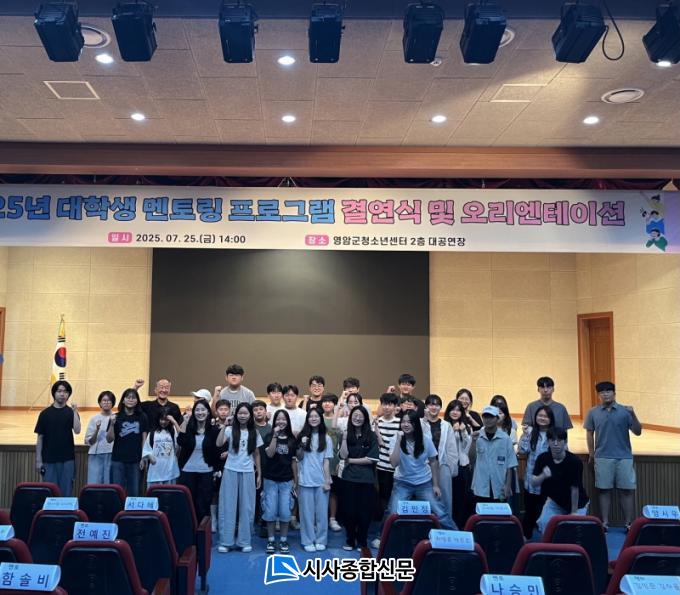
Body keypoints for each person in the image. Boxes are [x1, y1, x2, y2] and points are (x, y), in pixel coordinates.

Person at [584, 381, 642, 531]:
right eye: (602, 392)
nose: (605, 394)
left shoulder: (625, 411)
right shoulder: (593, 412)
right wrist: (591, 454)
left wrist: (633, 413)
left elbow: (638, 431)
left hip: (624, 457)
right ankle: (604, 523)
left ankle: (628, 523)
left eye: (608, 391)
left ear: (614, 393)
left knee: (626, 491)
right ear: (598, 395)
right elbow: (589, 433)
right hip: (602, 456)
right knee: (604, 490)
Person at [388, 411, 455, 529]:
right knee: (392, 512)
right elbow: (394, 464)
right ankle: (384, 537)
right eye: (403, 422)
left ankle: (456, 535)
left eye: (410, 422)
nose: (406, 425)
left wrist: (435, 485)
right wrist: (398, 441)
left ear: (416, 424)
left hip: (424, 483)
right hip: (402, 482)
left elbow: (433, 461)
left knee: (440, 513)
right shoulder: (395, 439)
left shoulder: (425, 439)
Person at [216, 402, 263, 553]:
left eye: (245, 413)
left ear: (250, 415)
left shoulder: (254, 432)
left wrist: (259, 473)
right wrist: (224, 425)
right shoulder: (230, 430)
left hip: (248, 472)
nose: (243, 416)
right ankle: (226, 541)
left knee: (247, 507)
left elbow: (256, 454)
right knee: (227, 506)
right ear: (236, 415)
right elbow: (219, 443)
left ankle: (244, 541)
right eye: (240, 413)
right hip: (230, 470)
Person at [532, 427, 589, 533]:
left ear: (565, 442)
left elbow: (575, 488)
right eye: (552, 440)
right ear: (548, 442)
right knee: (544, 523)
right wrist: (543, 475)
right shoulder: (542, 458)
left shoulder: (574, 461)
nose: (556, 444)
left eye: (559, 440)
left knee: (575, 530)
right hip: (555, 502)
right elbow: (534, 482)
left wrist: (574, 512)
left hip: (578, 503)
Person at [339, 405, 379, 551]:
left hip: (366, 480)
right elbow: (343, 456)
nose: (357, 418)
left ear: (365, 418)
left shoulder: (371, 436)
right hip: (348, 478)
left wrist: (351, 460)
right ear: (351, 417)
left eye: (360, 416)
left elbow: (372, 459)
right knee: (349, 512)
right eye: (355, 415)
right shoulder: (346, 434)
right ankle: (350, 539)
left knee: (364, 513)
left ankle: (362, 541)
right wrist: (344, 438)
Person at [296, 408, 333, 552]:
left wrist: (327, 480)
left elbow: (326, 461)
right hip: (305, 480)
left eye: (316, 416)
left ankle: (321, 539)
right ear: (307, 419)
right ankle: (307, 540)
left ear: (320, 418)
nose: (313, 418)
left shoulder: (326, 438)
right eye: (310, 416)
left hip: (321, 481)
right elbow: (298, 457)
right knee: (306, 513)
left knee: (322, 513)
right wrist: (302, 445)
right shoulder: (302, 436)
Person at [178, 399, 220, 526]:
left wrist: (216, 469)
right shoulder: (189, 428)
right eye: (197, 410)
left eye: (203, 410)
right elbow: (181, 441)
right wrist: (185, 421)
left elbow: (216, 452)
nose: (200, 413)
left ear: (208, 412)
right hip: (187, 471)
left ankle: (202, 532)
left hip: (206, 471)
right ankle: (188, 530)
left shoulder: (213, 430)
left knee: (203, 504)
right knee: (187, 503)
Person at [34, 380, 81, 496]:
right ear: (54, 393)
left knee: (66, 492)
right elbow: (40, 438)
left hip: (67, 459)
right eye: (59, 391)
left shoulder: (71, 412)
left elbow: (77, 430)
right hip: (48, 459)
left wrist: (75, 412)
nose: (62, 394)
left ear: (68, 395)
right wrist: (38, 460)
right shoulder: (45, 413)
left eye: (65, 392)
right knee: (49, 492)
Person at [262, 409, 298, 554]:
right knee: (270, 511)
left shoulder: (292, 439)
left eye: (284, 419)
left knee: (285, 511)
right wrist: (275, 436)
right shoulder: (269, 436)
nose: (281, 422)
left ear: (287, 421)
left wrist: (296, 480)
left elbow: (294, 461)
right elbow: (270, 454)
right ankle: (271, 540)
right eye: (278, 419)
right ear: (274, 421)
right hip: (270, 480)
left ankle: (283, 540)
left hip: (286, 481)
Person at [518, 405, 555, 538]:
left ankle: (547, 539)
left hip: (549, 479)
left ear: (550, 419)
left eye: (545, 416)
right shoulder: (531, 433)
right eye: (540, 415)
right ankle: (526, 537)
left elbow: (563, 452)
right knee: (530, 510)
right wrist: (525, 434)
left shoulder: (554, 433)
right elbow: (522, 450)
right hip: (531, 478)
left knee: (546, 511)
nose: (542, 418)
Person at [421, 395, 458, 523]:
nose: (434, 407)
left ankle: (445, 527)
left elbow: (452, 450)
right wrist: (424, 420)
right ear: (426, 406)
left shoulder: (446, 425)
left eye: (437, 405)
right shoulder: (420, 423)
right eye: (431, 404)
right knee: (426, 499)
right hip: (423, 467)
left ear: (440, 407)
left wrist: (449, 469)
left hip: (442, 465)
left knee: (445, 499)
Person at [471, 405, 517, 504]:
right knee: (481, 512)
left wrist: (508, 485)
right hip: (481, 486)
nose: (488, 419)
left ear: (497, 419)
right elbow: (471, 459)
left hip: (499, 486)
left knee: (500, 512)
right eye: (485, 417)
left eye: (491, 417)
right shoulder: (477, 436)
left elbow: (510, 465)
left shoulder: (505, 438)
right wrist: (473, 442)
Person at [107, 388, 148, 497]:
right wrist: (112, 425)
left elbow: (144, 438)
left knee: (134, 492)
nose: (130, 399)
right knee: (116, 492)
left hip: (136, 460)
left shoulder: (142, 417)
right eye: (128, 397)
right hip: (118, 460)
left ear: (137, 401)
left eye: (133, 398)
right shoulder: (116, 417)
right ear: (123, 400)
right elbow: (109, 439)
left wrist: (143, 457)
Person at [445, 399, 473, 529]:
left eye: (458, 410)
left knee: (462, 498)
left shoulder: (466, 427)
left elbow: (467, 448)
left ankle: (462, 526)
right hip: (448, 466)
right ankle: (449, 525)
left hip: (462, 466)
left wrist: (462, 432)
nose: (455, 412)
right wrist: (452, 431)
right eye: (453, 409)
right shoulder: (444, 426)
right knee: (450, 497)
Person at [374, 393, 401, 528]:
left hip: (397, 468)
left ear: (395, 406)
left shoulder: (400, 423)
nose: (387, 407)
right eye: (384, 404)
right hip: (381, 466)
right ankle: (384, 525)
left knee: (395, 497)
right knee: (383, 496)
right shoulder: (377, 422)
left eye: (390, 404)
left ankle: (394, 522)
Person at [320, 394, 343, 532]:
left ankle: (332, 519)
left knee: (333, 491)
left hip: (334, 460)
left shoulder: (340, 419)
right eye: (325, 401)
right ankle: (320, 518)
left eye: (330, 402)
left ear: (334, 404)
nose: (327, 404)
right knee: (320, 490)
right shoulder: (317, 418)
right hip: (318, 460)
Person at [142, 406, 180, 486]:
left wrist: (174, 422)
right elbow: (146, 449)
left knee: (170, 492)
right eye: (161, 419)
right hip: (155, 471)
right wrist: (149, 456)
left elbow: (181, 440)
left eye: (166, 420)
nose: (163, 422)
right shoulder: (153, 433)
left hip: (170, 471)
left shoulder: (173, 431)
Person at [84, 390, 115, 484]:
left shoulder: (116, 417)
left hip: (112, 453)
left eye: (109, 400)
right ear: (100, 403)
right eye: (104, 400)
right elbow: (88, 441)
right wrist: (97, 430)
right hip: (96, 455)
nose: (106, 402)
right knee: (94, 483)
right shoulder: (94, 419)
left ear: (113, 403)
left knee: (109, 483)